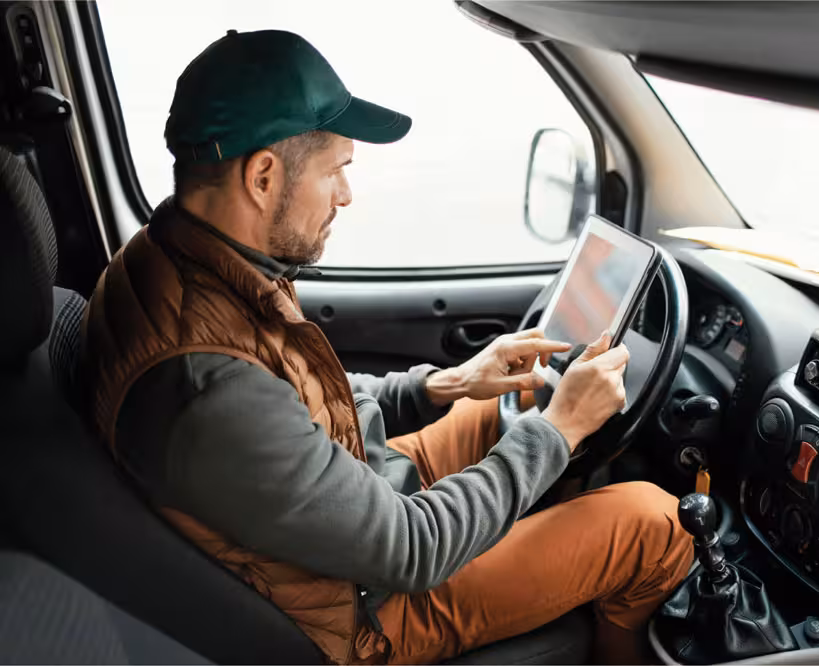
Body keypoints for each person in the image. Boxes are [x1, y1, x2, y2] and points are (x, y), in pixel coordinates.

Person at [80, 29, 693, 665]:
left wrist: (445, 385)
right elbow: (411, 548)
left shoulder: (183, 258)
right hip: (358, 611)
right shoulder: (204, 385)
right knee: (654, 523)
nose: (346, 195)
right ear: (263, 176)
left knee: (514, 399)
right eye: (336, 171)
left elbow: (295, 400)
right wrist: (561, 431)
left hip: (345, 520)